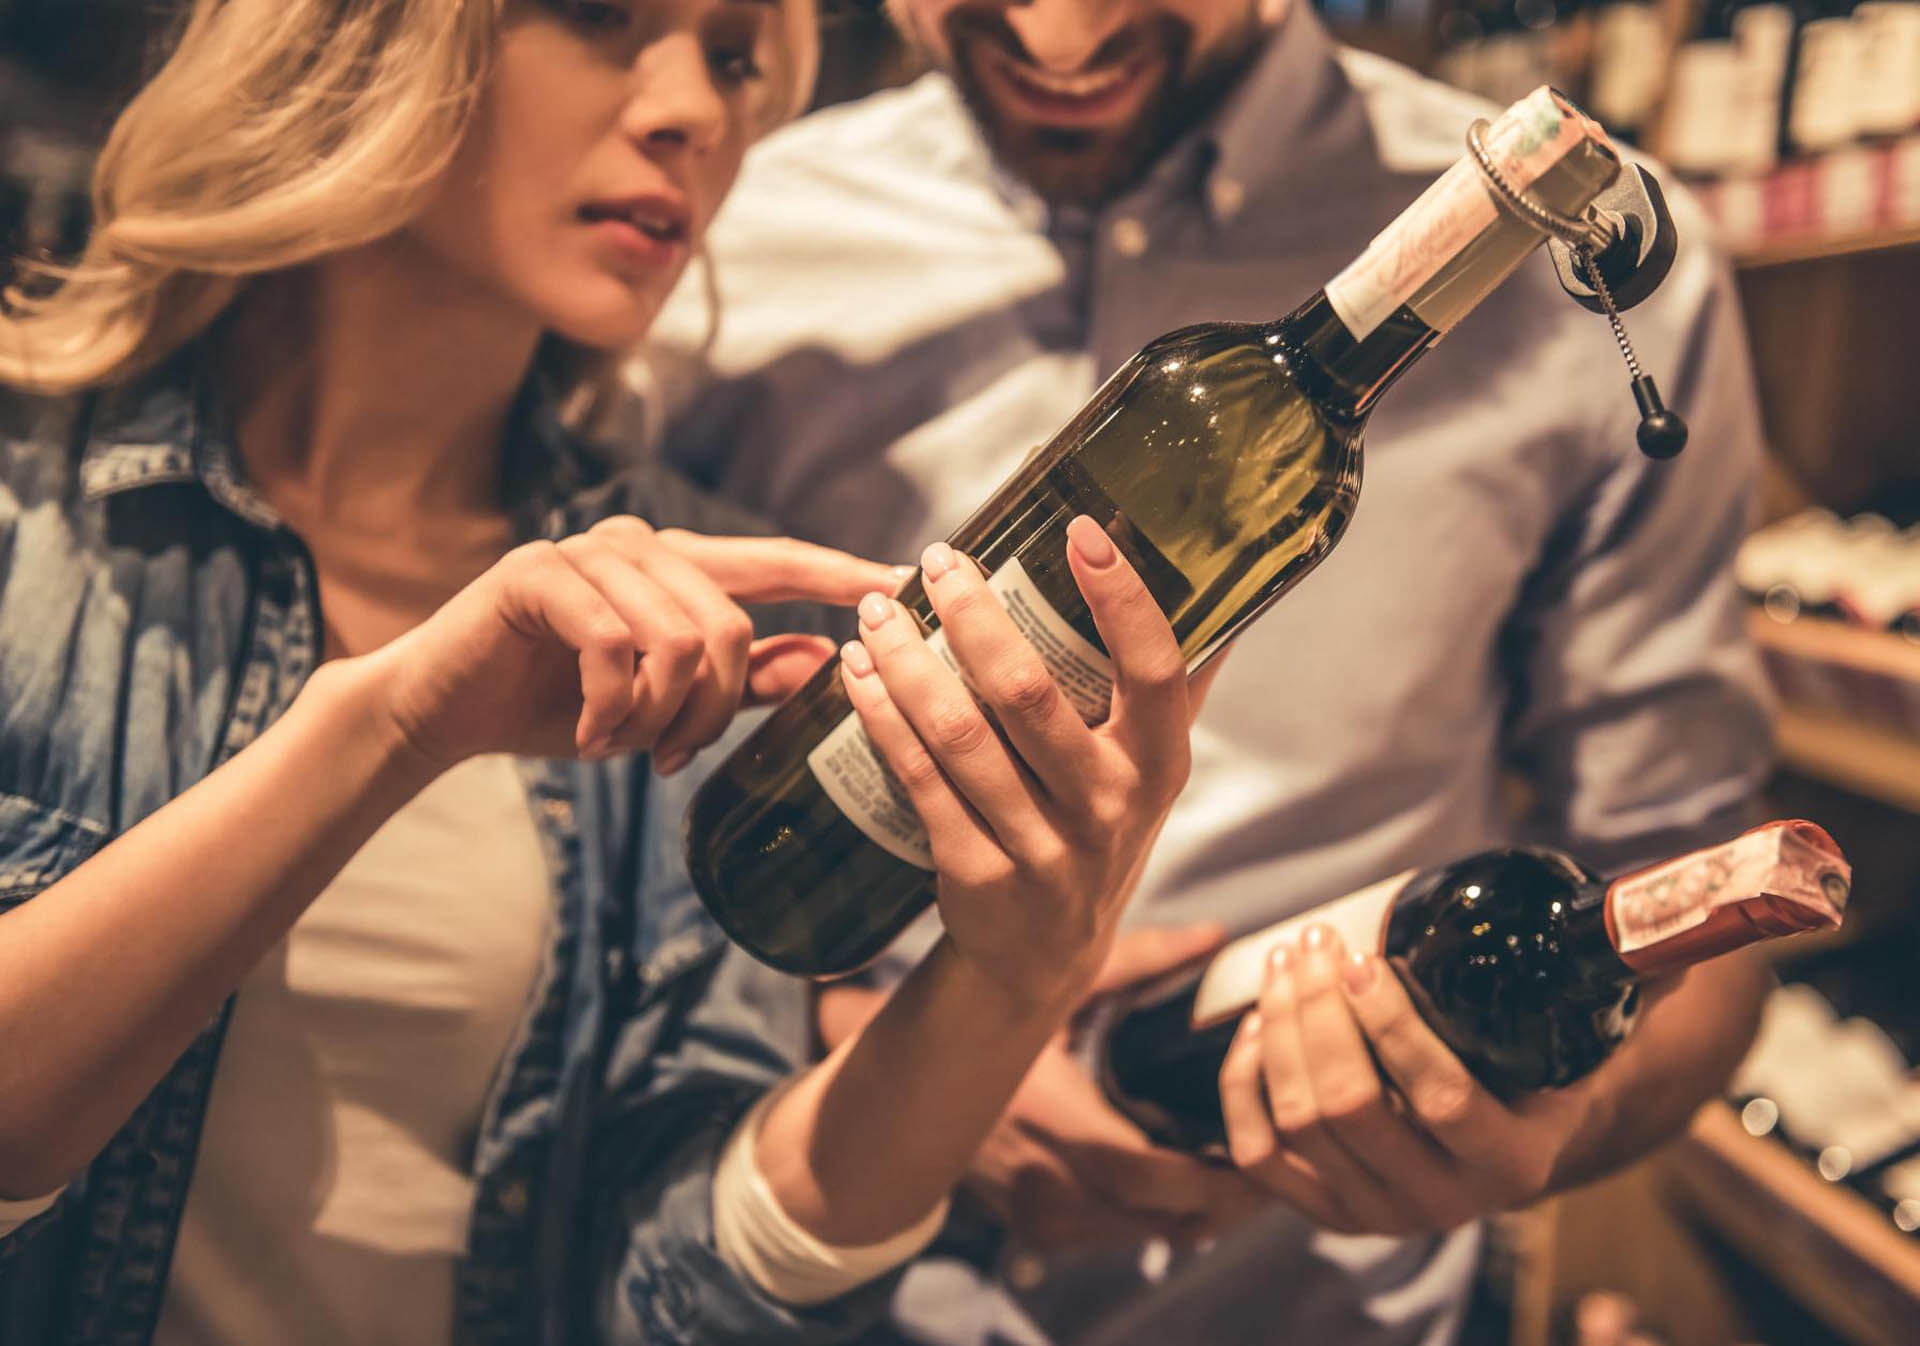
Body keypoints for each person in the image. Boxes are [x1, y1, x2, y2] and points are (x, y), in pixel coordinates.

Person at [0, 0, 1212, 1341]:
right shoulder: (30, 506)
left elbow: (677, 1274)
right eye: (600, 18)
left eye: (739, 60)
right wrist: (389, 727)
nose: (698, 111)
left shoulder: (694, 598)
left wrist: (1006, 986)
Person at [633, 0, 1779, 1342]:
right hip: (817, 1279)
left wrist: (1549, 1110)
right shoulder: (717, 232)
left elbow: (1683, 866)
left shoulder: (1588, 267)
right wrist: (888, 1043)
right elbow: (625, 821)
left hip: (1311, 1301)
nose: (1060, 36)